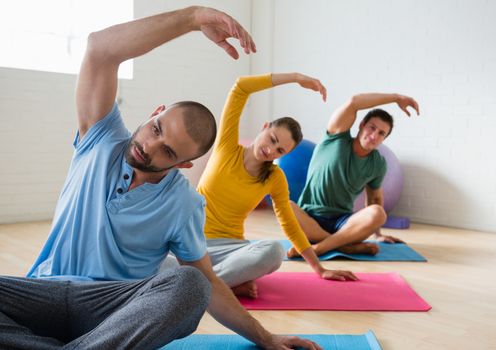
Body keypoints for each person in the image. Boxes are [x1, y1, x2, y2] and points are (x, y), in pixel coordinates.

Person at [0, 7, 323, 350]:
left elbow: (207, 284)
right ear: (156, 112)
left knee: (190, 285)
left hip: (112, 312)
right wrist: (192, 18)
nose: (148, 146)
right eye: (156, 129)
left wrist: (266, 337)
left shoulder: (183, 204)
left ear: (183, 165)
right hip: (44, 293)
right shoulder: (101, 137)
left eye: (168, 152)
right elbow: (100, 48)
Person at [196, 73, 357, 299]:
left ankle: (202, 284)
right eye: (272, 139)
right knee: (150, 256)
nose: (271, 150)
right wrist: (295, 78)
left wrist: (319, 269)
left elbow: (289, 224)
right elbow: (240, 87)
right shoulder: (227, 146)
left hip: (230, 248)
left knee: (274, 251)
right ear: (264, 127)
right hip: (191, 239)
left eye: (280, 150)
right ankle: (223, 283)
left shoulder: (274, 177)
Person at [288, 93, 420, 258]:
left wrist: (376, 234)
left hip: (342, 224)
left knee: (378, 213)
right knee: (285, 206)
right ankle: (344, 247)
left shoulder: (377, 163)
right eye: (372, 127)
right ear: (362, 125)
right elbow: (353, 102)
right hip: (309, 218)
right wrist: (395, 98)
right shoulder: (335, 138)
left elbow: (375, 200)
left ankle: (320, 247)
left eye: (381, 133)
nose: (374, 136)